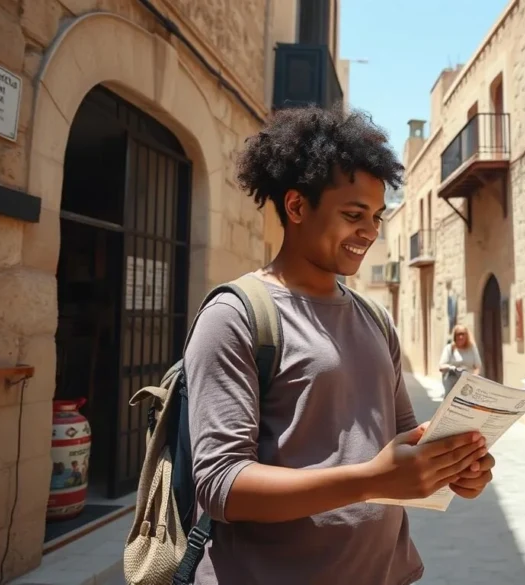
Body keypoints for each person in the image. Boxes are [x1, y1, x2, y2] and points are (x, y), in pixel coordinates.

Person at [184, 106, 496, 585]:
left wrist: (453, 468)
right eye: (353, 215)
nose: (370, 231)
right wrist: (372, 480)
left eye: (376, 216)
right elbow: (221, 486)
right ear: (296, 206)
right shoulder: (235, 316)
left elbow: (404, 443)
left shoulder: (375, 319)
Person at [438, 325, 482, 391]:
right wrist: (452, 368)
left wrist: (473, 378)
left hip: (467, 383)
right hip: (452, 383)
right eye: (458, 334)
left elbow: (478, 366)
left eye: (463, 334)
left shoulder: (472, 348)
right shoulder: (449, 348)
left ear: (466, 336)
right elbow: (441, 366)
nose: (460, 337)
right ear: (454, 336)